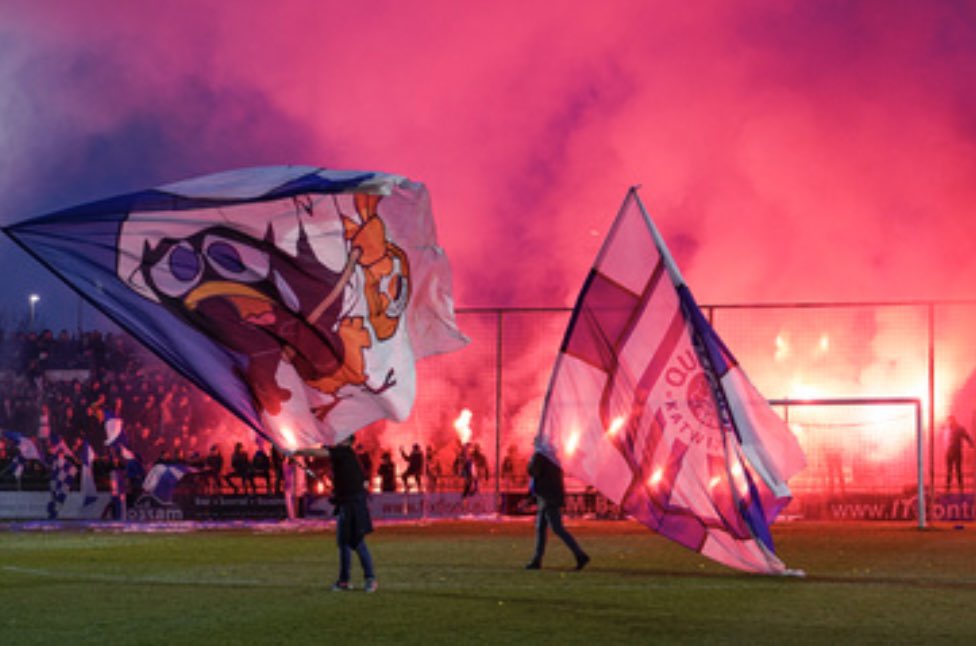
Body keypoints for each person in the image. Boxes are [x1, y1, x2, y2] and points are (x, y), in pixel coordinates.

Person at [290, 434, 377, 593]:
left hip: (354, 504)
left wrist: (296, 451)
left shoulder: (344, 452)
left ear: (348, 441)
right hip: (346, 503)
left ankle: (370, 579)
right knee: (344, 543)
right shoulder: (342, 454)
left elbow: (320, 453)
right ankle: (344, 581)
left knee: (357, 542)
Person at [525, 449, 589, 571]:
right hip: (549, 497)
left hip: (548, 498)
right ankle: (537, 560)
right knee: (541, 528)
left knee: (556, 528)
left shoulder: (540, 456)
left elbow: (533, 471)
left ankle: (580, 555)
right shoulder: (553, 458)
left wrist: (530, 462)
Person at [945, 415, 974, 492]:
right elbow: (966, 436)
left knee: (955, 471)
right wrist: (971, 443)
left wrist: (971, 443)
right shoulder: (949, 429)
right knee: (952, 471)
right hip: (951, 452)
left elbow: (966, 436)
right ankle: (952, 488)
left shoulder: (957, 428)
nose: (949, 422)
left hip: (954, 452)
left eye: (950, 420)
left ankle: (955, 488)